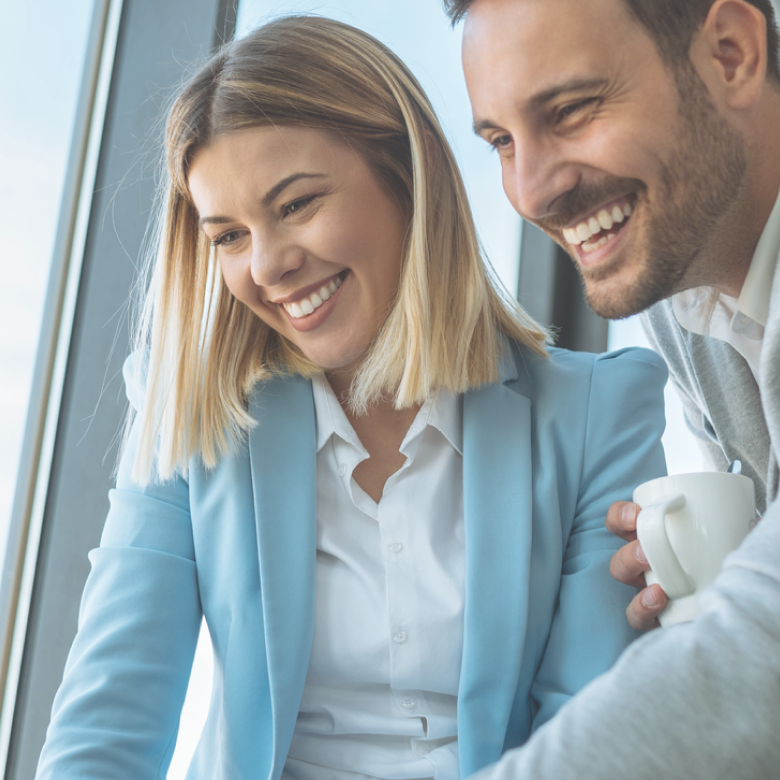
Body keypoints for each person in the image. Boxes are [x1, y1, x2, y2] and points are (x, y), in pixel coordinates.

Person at [34, 15, 667, 780]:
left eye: (297, 204)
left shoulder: (597, 414)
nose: (267, 266)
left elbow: (587, 734)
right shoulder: (192, 417)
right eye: (229, 236)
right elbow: (107, 728)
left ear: (408, 180)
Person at [446, 0, 780, 778]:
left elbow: (756, 660)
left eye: (569, 111)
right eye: (500, 142)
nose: (529, 191)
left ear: (731, 54)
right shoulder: (683, 294)